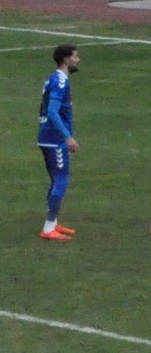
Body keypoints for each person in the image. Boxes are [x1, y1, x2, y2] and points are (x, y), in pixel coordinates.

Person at [37, 44, 81, 242]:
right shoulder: (60, 82)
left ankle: (53, 224)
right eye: (75, 56)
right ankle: (48, 227)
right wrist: (67, 137)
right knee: (61, 180)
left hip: (48, 137)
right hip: (54, 139)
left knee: (57, 179)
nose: (78, 60)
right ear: (65, 60)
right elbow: (53, 112)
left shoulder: (53, 78)